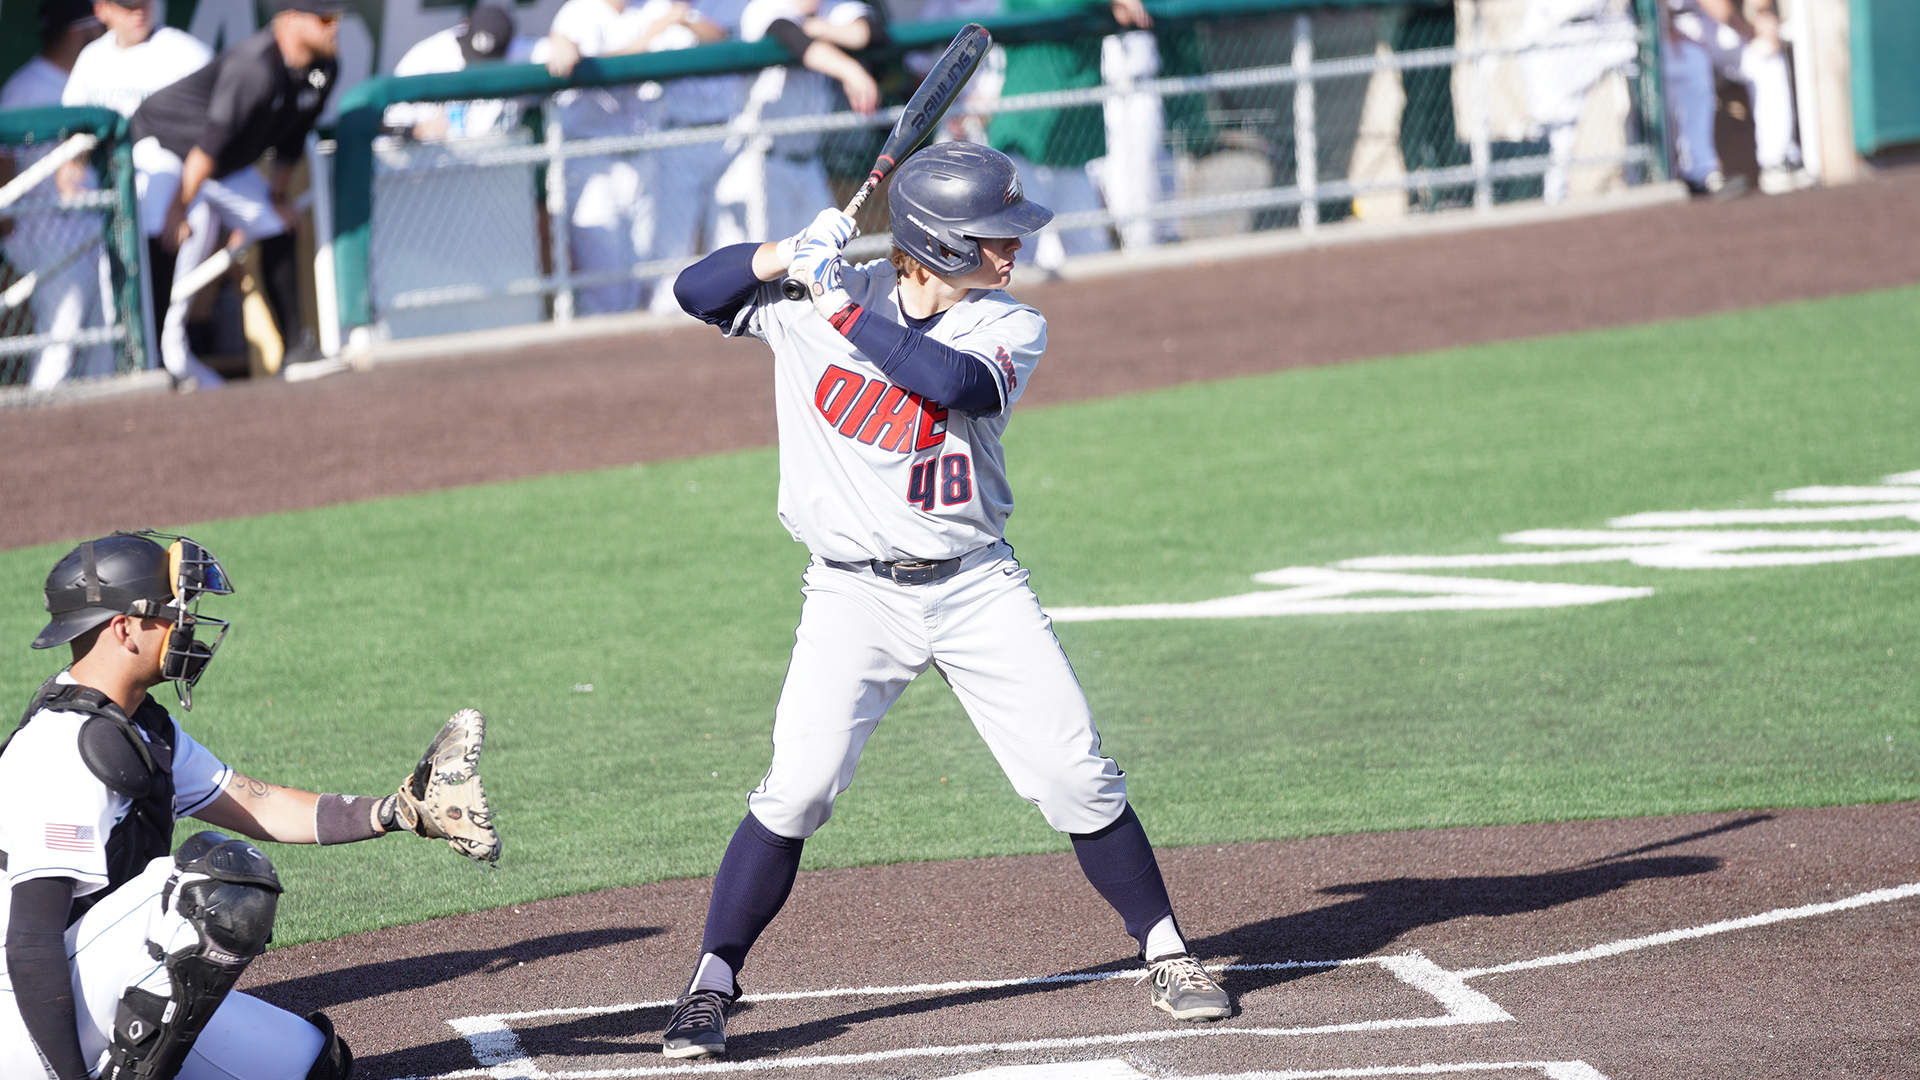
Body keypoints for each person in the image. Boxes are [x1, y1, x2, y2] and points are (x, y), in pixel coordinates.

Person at [664, 141, 1230, 1060]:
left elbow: (946, 383)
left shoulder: (1007, 327)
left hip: (974, 587)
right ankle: (710, 984)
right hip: (850, 596)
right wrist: (782, 256)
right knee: (796, 789)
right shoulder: (804, 304)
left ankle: (1166, 952)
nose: (1015, 250)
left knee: (1073, 773)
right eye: (994, 236)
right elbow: (695, 291)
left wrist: (839, 298)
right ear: (938, 242)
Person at [0, 531, 500, 1080]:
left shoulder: (137, 729)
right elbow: (27, 944)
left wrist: (397, 811)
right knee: (210, 885)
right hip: (23, 1015)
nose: (188, 629)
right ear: (124, 628)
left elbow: (257, 804)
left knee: (313, 1065)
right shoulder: (61, 748)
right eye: (173, 614)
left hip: (89, 982)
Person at [127, 0, 342, 390]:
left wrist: (277, 195)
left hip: (220, 161)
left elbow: (292, 139)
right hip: (166, 145)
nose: (334, 27)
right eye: (325, 19)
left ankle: (296, 349)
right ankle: (153, 361)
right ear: (290, 20)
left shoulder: (323, 68)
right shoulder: (254, 68)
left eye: (337, 18)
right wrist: (179, 208)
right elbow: (206, 148)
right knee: (166, 227)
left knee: (280, 224)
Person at [545, 0, 725, 314]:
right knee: (605, 287)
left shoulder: (646, 10)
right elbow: (580, 61)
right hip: (592, 161)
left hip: (643, 160)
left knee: (644, 276)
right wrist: (649, 37)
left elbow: (718, 37)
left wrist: (681, 21)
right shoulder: (579, 11)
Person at [0, 0, 111, 391]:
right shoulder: (25, 87)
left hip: (92, 227)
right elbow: (2, 166)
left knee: (104, 341)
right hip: (45, 231)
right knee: (62, 335)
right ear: (79, 32)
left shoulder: (90, 80)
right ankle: (39, 421)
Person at [713, 0, 878, 249]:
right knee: (758, 271)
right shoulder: (764, 8)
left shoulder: (830, 10)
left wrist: (820, 29)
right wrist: (850, 70)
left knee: (827, 253)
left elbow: (872, 32)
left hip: (809, 165)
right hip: (760, 162)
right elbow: (789, 35)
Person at [1661, 0, 1807, 197]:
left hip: (1709, 20)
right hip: (1667, 24)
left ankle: (1778, 162)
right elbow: (1716, 6)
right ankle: (1700, 172)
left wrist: (1763, 14)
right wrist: (1749, 31)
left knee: (1764, 55)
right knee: (1693, 62)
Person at [382, 5, 532, 141]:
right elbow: (384, 129)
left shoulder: (522, 54)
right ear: (463, 26)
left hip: (496, 161)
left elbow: (551, 49)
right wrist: (417, 131)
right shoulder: (424, 58)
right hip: (430, 163)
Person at [62, 0, 213, 120]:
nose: (138, 12)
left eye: (143, 2)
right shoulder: (91, 57)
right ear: (101, 9)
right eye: (128, 6)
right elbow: (69, 122)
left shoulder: (190, 55)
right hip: (102, 157)